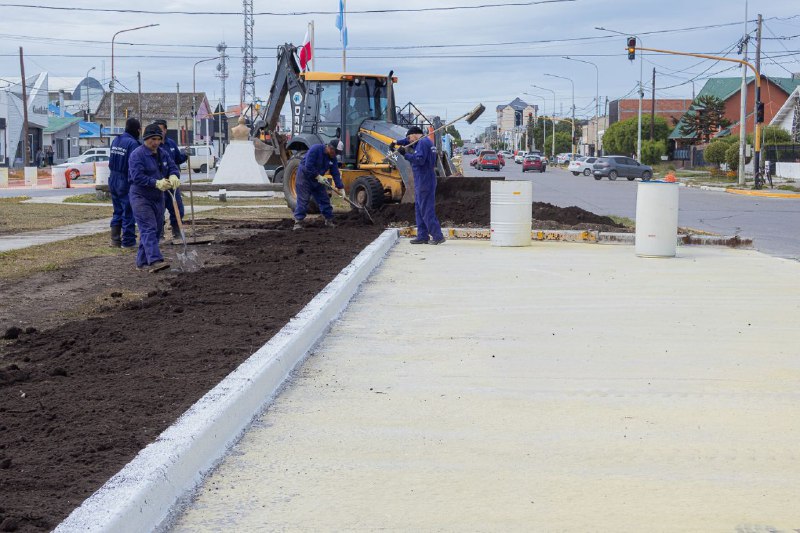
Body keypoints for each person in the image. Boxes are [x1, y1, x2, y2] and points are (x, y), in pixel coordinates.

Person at [128, 123, 181, 269]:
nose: (156, 142)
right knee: (148, 227)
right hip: (141, 196)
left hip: (158, 197)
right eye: (153, 139)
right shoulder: (137, 155)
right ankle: (155, 260)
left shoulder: (163, 153)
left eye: (159, 139)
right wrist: (155, 182)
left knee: (157, 229)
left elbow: (172, 167)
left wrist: (173, 175)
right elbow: (137, 176)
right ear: (146, 139)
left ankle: (142, 261)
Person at [392, 126, 445, 245]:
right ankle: (422, 236)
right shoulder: (426, 141)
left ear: (415, 134)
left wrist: (404, 154)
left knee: (426, 209)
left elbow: (419, 160)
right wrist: (396, 142)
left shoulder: (421, 143)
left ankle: (437, 236)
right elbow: (408, 141)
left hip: (424, 179)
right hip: (425, 179)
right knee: (420, 208)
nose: (409, 141)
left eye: (409, 137)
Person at [293, 139, 346, 230]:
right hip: (304, 177)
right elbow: (308, 166)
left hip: (317, 179)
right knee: (303, 200)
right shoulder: (316, 149)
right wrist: (318, 176)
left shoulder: (332, 158)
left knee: (324, 199)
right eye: (336, 152)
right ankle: (298, 222)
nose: (336, 155)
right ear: (330, 148)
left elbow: (335, 173)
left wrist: (341, 187)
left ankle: (328, 220)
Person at [108, 118, 141, 248]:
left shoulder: (116, 140)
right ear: (137, 130)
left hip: (113, 178)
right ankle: (128, 241)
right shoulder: (133, 143)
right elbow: (133, 165)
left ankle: (115, 240)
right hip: (125, 179)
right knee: (128, 210)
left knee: (117, 210)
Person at [154, 120, 187, 239]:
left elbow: (177, 160)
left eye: (160, 129)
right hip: (160, 184)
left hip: (172, 182)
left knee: (178, 208)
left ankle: (177, 230)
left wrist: (185, 155)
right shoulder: (154, 146)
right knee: (159, 210)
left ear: (165, 130)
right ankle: (160, 233)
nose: (158, 132)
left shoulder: (171, 144)